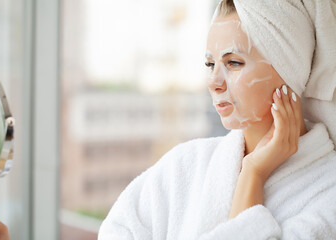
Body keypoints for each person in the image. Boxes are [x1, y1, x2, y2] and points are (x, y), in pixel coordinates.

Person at [98, 0, 336, 239]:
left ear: (289, 69)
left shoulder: (328, 193)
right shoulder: (182, 166)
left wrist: (253, 174)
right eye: (210, 64)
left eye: (233, 63)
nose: (213, 82)